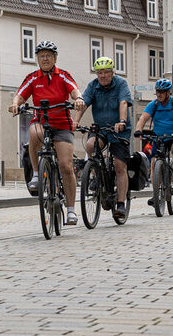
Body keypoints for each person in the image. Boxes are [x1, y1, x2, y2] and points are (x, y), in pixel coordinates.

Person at [8, 41, 83, 226]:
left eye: (49, 55)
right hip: (41, 122)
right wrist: (15, 103)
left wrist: (79, 99)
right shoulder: (33, 78)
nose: (45, 58)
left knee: (66, 166)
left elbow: (75, 91)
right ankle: (36, 174)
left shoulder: (63, 75)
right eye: (42, 56)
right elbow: (20, 94)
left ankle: (72, 210)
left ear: (55, 58)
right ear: (37, 59)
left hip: (62, 124)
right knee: (34, 132)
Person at [74, 56, 133, 221]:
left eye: (106, 72)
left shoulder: (121, 84)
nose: (103, 76)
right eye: (100, 73)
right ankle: (95, 172)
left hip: (119, 129)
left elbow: (123, 103)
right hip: (101, 128)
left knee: (119, 165)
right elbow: (83, 103)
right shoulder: (93, 86)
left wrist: (122, 121)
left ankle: (120, 204)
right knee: (91, 144)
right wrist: (76, 121)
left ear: (112, 72)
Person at [134, 79, 173, 206]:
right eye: (158, 92)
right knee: (155, 163)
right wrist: (138, 129)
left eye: (162, 92)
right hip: (159, 137)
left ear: (168, 93)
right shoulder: (153, 104)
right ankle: (155, 195)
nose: (159, 94)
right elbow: (143, 117)